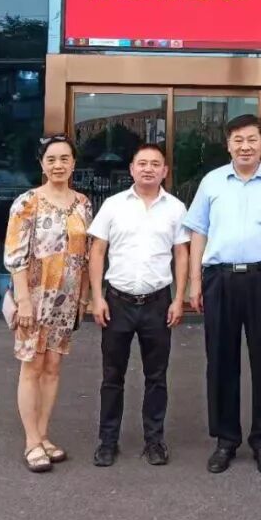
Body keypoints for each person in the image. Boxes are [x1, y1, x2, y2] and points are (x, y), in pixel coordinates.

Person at [184, 114, 261, 476]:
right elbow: (198, 232)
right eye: (238, 140)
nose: (245, 146)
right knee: (220, 359)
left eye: (251, 139)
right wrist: (194, 281)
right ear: (228, 144)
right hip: (220, 278)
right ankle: (226, 439)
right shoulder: (212, 182)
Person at [87, 144, 190, 467]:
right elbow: (97, 251)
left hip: (157, 302)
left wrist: (179, 298)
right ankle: (107, 441)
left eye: (155, 164)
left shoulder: (176, 208)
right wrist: (96, 297)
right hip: (117, 301)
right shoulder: (114, 205)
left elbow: (182, 254)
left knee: (156, 376)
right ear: (131, 169)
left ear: (165, 171)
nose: (148, 169)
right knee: (112, 376)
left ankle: (154, 441)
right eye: (142, 163)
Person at [3, 134, 92, 473]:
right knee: (32, 366)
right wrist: (23, 300)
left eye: (64, 159)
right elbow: (15, 256)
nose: (58, 165)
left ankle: (43, 435)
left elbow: (85, 256)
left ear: (73, 163)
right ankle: (31, 442)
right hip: (35, 297)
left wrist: (83, 296)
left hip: (66, 299)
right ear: (41, 164)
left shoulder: (82, 203)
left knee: (53, 367)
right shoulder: (27, 202)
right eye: (51, 159)